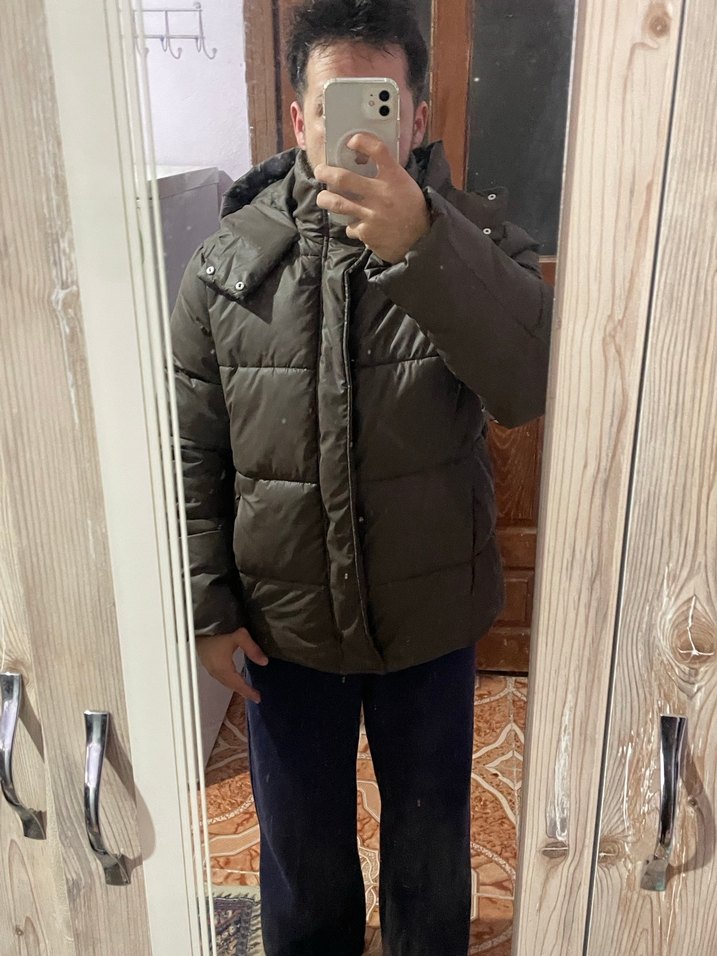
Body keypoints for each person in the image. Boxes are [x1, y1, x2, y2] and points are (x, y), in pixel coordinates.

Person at [171, 1, 553, 953]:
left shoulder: (475, 245)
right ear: (298, 118)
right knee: (301, 861)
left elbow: (527, 384)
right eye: (332, 103)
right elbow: (191, 453)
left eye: (378, 102)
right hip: (283, 629)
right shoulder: (224, 269)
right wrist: (208, 610)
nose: (353, 128)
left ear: (414, 117)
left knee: (429, 853)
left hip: (429, 622)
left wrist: (424, 246)